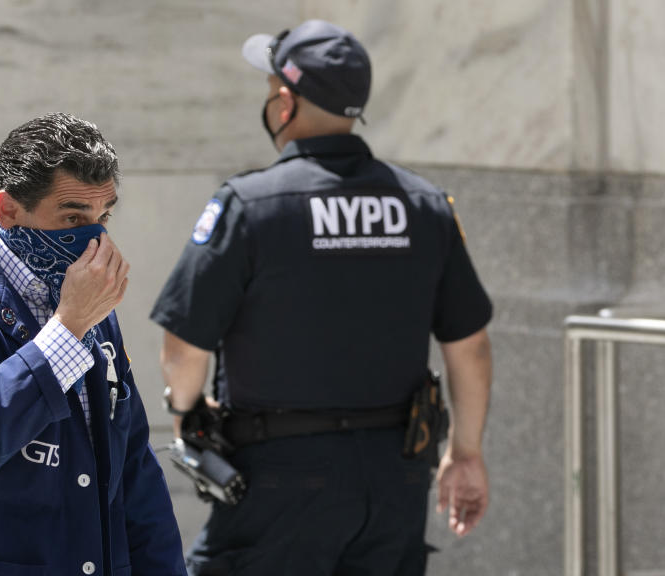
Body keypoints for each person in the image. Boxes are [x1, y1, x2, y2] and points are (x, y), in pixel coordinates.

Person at [150, 20, 493, 576]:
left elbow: (184, 346)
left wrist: (188, 411)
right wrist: (468, 453)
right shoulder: (425, 206)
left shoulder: (250, 205)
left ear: (285, 103)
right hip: (395, 477)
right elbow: (470, 346)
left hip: (276, 480)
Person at [0, 113, 187, 576]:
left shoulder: (84, 298)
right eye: (72, 217)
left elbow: (133, 469)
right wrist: (68, 328)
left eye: (103, 217)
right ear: (8, 210)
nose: (95, 238)